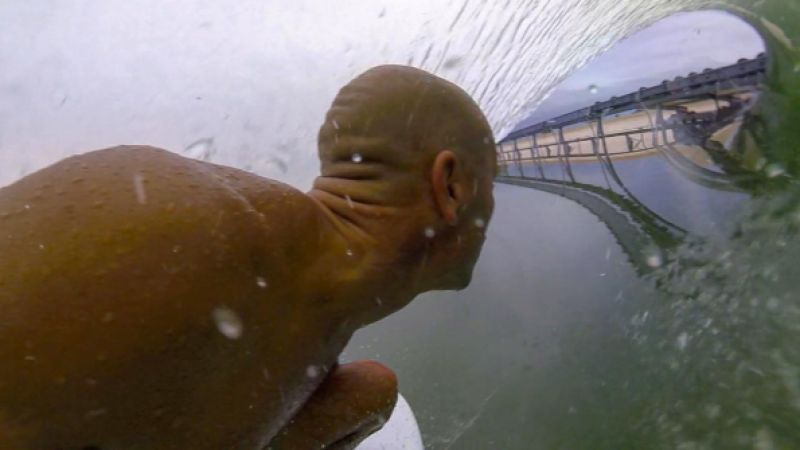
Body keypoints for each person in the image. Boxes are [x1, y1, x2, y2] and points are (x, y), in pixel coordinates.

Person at [0, 65, 496, 449]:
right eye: (489, 183)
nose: (491, 205)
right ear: (451, 186)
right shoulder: (190, 226)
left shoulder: (322, 355)